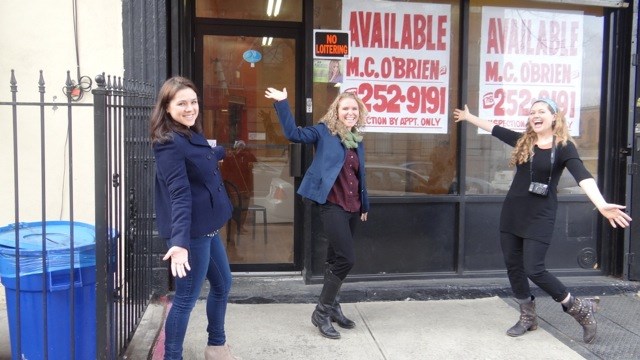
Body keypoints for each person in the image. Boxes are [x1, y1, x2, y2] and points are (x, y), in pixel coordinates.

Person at [453, 99, 632, 344]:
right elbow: (494, 128)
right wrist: (468, 117)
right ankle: (528, 318)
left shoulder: (564, 147)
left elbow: (583, 176)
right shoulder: (523, 141)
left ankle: (580, 309)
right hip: (512, 213)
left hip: (540, 216)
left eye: (541, 112)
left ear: (554, 117)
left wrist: (601, 204)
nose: (535, 115)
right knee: (513, 267)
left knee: (534, 269)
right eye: (532, 112)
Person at [264, 87, 369, 339]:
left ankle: (333, 307)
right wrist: (282, 102)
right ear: (336, 111)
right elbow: (293, 133)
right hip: (331, 204)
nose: (350, 112)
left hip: (353, 207)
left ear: (359, 112)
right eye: (345, 108)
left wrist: (365, 205)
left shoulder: (357, 139)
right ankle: (321, 312)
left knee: (335, 260)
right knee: (346, 258)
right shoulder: (324, 131)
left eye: (354, 109)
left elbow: (359, 176)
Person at [150, 76, 239, 360]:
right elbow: (178, 194)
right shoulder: (168, 143)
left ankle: (216, 346)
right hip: (190, 234)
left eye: (193, 102)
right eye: (182, 103)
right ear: (166, 107)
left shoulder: (189, 132)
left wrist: (219, 152)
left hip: (208, 228)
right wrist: (179, 243)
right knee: (186, 299)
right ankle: (172, 357)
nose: (190, 108)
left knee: (223, 284)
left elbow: (200, 157)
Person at [221, 140, 257, 235]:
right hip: (234, 187)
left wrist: (246, 153)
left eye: (242, 148)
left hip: (245, 186)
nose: (240, 150)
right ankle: (233, 227)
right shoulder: (230, 157)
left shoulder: (247, 156)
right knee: (236, 208)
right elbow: (224, 172)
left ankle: (240, 226)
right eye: (238, 148)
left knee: (244, 207)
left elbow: (254, 162)